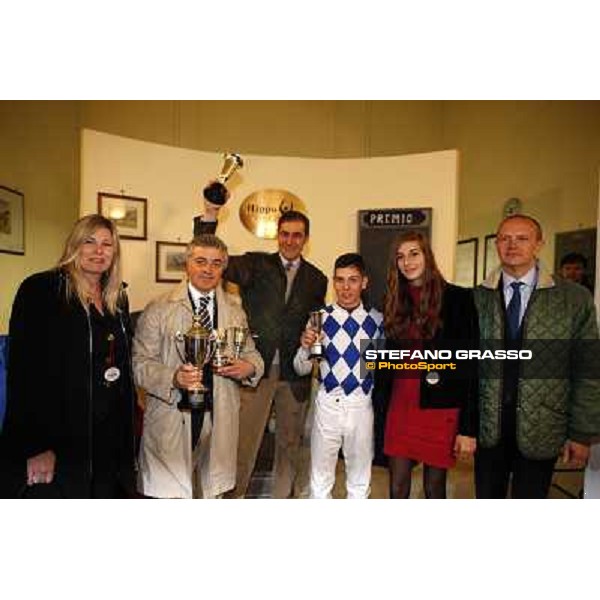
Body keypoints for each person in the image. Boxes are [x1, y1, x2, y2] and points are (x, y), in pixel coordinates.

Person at [194, 198, 327, 498]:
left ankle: (282, 500)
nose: (290, 240)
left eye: (297, 235)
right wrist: (209, 217)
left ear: (305, 239)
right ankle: (234, 497)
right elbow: (216, 258)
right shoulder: (256, 264)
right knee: (244, 442)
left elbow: (316, 323)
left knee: (290, 446)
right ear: (277, 235)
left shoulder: (317, 279)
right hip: (257, 370)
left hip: (295, 375)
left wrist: (314, 349)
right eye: (285, 234)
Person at [0, 214, 137, 498]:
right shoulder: (41, 289)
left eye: (107, 244)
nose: (98, 251)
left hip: (108, 439)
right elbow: (24, 373)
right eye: (89, 241)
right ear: (74, 245)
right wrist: (36, 446)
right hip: (60, 439)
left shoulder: (117, 298)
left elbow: (122, 367)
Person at [474, 214, 600, 498]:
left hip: (543, 425)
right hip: (489, 427)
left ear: (539, 244)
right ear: (496, 244)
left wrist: (581, 433)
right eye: (505, 238)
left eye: (522, 238)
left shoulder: (573, 299)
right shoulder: (477, 298)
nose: (512, 245)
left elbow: (588, 370)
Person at [133, 234, 264, 499]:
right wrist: (173, 377)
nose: (208, 269)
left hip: (219, 414)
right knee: (170, 496)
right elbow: (139, 364)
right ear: (187, 264)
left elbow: (252, 353)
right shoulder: (159, 308)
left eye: (216, 263)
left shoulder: (235, 311)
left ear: (224, 268)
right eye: (201, 261)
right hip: (172, 414)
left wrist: (249, 367)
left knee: (211, 494)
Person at [381, 231, 479, 499]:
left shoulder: (458, 299)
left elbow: (470, 368)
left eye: (414, 253)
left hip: (440, 408)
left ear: (427, 255)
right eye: (400, 257)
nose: (407, 262)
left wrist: (468, 429)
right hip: (401, 406)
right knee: (397, 487)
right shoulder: (393, 300)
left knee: (434, 489)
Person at [293, 253, 384, 499]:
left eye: (353, 280)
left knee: (359, 482)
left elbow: (380, 369)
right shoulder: (319, 319)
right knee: (320, 483)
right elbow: (301, 368)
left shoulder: (377, 320)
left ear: (364, 282)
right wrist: (304, 347)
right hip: (327, 405)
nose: (346, 288)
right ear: (333, 282)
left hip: (361, 405)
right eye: (340, 280)